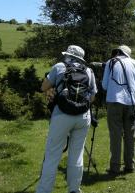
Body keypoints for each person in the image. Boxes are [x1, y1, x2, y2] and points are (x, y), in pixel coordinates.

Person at [37, 45, 97, 193]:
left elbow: (43, 87)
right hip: (83, 116)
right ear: (80, 58)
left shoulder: (60, 66)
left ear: (68, 55)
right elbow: (93, 96)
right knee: (76, 155)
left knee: (52, 155)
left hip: (62, 115)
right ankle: (74, 189)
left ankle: (44, 190)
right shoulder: (88, 71)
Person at [102, 45, 135, 174]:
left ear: (118, 52)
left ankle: (115, 167)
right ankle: (130, 165)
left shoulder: (111, 62)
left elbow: (104, 85)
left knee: (115, 134)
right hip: (131, 102)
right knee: (130, 135)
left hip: (115, 101)